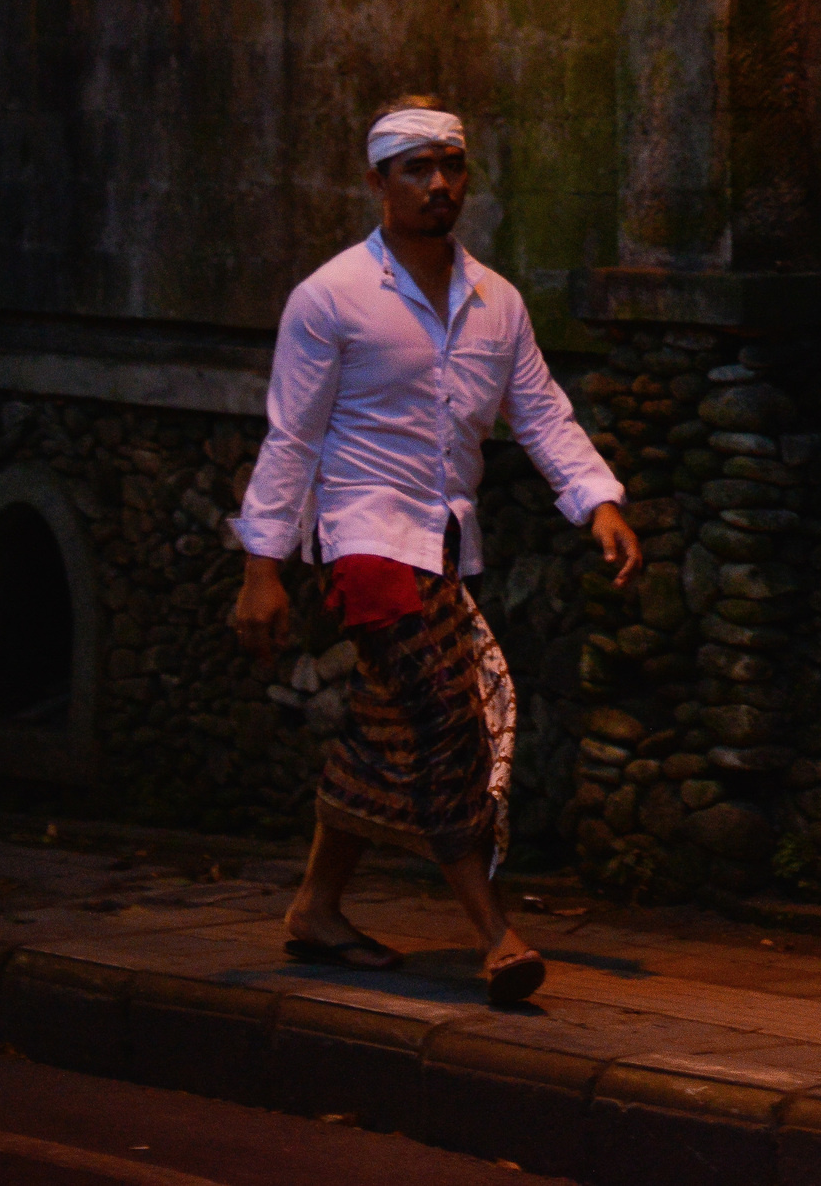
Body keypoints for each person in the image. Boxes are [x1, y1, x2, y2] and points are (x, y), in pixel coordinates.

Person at [229, 97, 642, 1005]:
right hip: (365, 545)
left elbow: (540, 412)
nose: (439, 183)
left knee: (389, 726)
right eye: (416, 168)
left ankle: (316, 908)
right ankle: (496, 932)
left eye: (451, 165)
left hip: (445, 545)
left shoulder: (497, 301)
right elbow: (290, 436)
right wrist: (264, 567)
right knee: (448, 717)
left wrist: (599, 502)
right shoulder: (330, 298)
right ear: (377, 181)